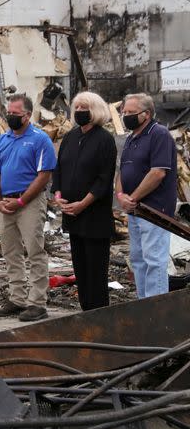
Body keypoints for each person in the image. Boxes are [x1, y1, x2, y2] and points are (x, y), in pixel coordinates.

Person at [0, 93, 57, 322]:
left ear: (27, 115)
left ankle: (37, 302)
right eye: (8, 112)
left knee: (35, 251)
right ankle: (17, 297)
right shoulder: (2, 140)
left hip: (28, 203)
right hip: (6, 203)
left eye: (15, 114)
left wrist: (22, 201)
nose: (10, 116)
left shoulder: (40, 139)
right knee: (11, 252)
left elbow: (43, 175)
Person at [52, 92, 117, 311]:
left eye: (84, 107)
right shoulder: (70, 137)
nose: (79, 111)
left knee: (96, 269)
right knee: (80, 268)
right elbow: (59, 169)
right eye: (77, 107)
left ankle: (98, 313)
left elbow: (103, 180)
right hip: (72, 215)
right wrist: (58, 196)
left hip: (94, 216)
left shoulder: (104, 140)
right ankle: (85, 310)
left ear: (95, 110)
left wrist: (83, 204)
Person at [116, 93, 178, 298]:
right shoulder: (131, 138)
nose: (125, 116)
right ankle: (143, 304)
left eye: (131, 112)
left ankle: (156, 308)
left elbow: (158, 173)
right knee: (138, 260)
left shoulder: (159, 134)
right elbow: (122, 171)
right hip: (135, 210)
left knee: (154, 260)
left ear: (147, 114)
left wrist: (132, 198)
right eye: (124, 112)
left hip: (154, 210)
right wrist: (120, 195)